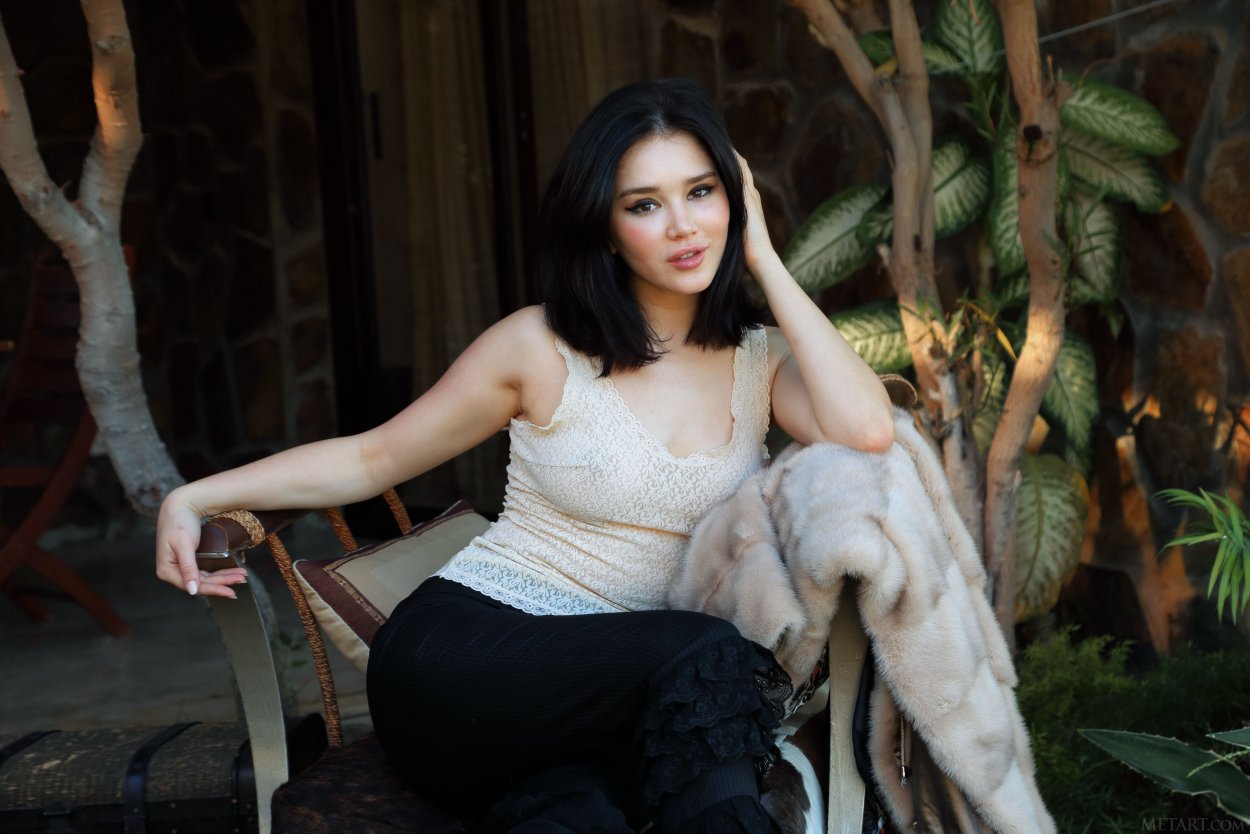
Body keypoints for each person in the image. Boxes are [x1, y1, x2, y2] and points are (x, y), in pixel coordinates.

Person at [156, 78, 894, 833]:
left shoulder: (762, 361)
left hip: (611, 700)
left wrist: (764, 257)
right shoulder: (541, 347)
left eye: (701, 192)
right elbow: (373, 458)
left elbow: (868, 429)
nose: (682, 226)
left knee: (580, 812)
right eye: (644, 205)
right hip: (464, 662)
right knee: (708, 653)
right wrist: (191, 497)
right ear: (605, 228)